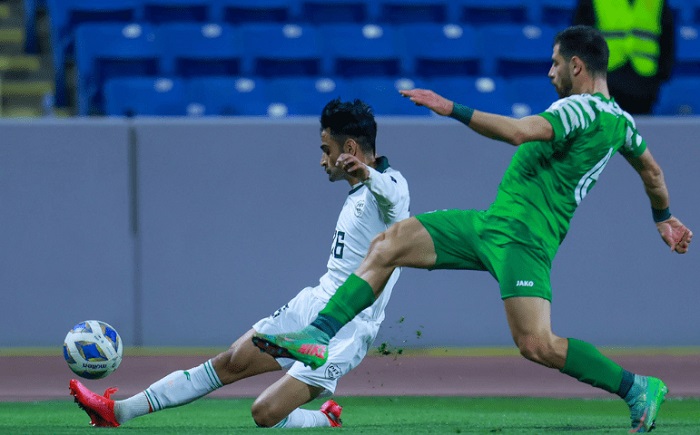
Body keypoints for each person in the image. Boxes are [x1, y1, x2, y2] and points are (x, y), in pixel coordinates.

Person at [252, 25, 693, 433]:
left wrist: (451, 108)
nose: (550, 71)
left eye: (555, 62)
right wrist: (664, 217)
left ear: (576, 65)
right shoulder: (624, 124)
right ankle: (319, 334)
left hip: (523, 241)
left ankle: (637, 387)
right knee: (389, 243)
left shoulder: (578, 108)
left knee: (536, 344)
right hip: (492, 225)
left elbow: (519, 132)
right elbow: (652, 173)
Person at [69, 98, 410, 429]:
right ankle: (118, 411)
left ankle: (324, 419)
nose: (322, 160)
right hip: (315, 304)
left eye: (326, 150)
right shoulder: (359, 193)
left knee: (265, 413)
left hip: (347, 328)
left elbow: (393, 197)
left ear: (349, 148)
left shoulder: (389, 186)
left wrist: (368, 173)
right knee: (231, 361)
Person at [573, 0, 675, 114]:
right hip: (606, 79)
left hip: (644, 83)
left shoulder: (657, 2)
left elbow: (667, 39)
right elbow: (580, 39)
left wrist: (661, 75)